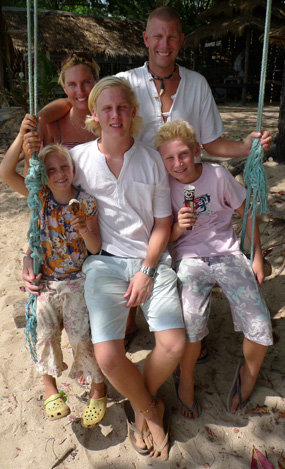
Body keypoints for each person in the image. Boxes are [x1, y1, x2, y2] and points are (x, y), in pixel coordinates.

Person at [36, 7, 272, 359]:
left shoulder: (197, 84)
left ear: (181, 41)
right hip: (136, 185)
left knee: (179, 252)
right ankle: (130, 321)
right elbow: (85, 98)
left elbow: (211, 143)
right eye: (157, 36)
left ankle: (191, 331)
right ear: (146, 40)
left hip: (180, 188)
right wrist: (42, 115)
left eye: (172, 36)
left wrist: (245, 146)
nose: (165, 44)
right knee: (133, 246)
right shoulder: (127, 80)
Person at [26, 76, 186, 458]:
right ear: (94, 114)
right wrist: (27, 260)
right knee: (109, 357)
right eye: (107, 108)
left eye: (122, 107)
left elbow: (163, 224)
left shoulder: (149, 158)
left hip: (149, 260)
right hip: (102, 263)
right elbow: (36, 190)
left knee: (173, 344)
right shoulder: (77, 160)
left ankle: (138, 402)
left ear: (132, 112)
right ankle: (149, 409)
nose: (115, 115)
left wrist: (147, 270)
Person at [154, 119, 273, 418]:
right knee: (191, 325)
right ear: (161, 159)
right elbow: (162, 241)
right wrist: (179, 228)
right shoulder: (163, 188)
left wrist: (256, 254)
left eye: (183, 154)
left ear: (196, 150)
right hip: (190, 259)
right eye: (169, 157)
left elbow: (245, 213)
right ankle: (186, 377)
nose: (177, 163)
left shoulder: (217, 176)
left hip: (227, 254)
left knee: (260, 326)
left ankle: (247, 374)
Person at [0, 115, 107, 427]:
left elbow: (96, 248)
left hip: (77, 280)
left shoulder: (86, 202)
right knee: (43, 332)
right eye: (51, 170)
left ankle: (98, 387)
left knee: (81, 336)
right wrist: (22, 137)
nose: (59, 174)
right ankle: (50, 389)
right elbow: (6, 172)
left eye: (64, 167)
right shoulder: (40, 198)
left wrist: (85, 230)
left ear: (73, 170)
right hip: (47, 282)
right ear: (43, 177)